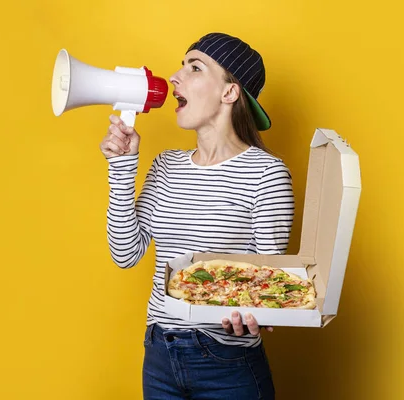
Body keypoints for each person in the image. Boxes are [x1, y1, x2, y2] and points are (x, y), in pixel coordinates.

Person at [100, 32, 295, 400]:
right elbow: (125, 254)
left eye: (195, 67)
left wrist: (257, 316)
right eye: (181, 65)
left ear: (229, 92)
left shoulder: (266, 174)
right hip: (159, 356)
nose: (175, 77)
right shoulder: (165, 166)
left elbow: (271, 284)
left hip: (227, 364)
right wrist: (122, 168)